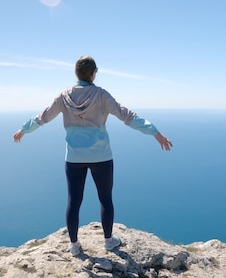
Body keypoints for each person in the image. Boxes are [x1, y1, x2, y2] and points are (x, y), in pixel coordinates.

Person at [13, 55, 173, 257]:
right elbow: (128, 116)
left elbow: (43, 117)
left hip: (74, 158)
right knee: (105, 199)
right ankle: (108, 241)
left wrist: (23, 130)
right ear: (93, 73)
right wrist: (155, 133)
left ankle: (73, 245)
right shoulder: (101, 95)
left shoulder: (63, 96)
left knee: (73, 200)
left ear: (76, 73)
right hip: (101, 156)